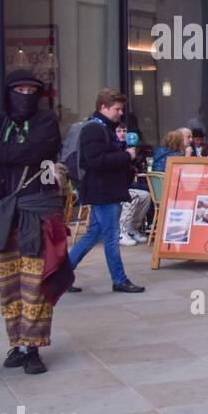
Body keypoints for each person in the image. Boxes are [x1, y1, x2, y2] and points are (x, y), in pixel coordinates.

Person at [0, 69, 71, 374]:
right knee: (9, 285)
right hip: (6, 217)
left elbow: (40, 149)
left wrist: (10, 153)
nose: (25, 96)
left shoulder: (46, 121)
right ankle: (17, 343)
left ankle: (34, 348)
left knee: (35, 283)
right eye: (20, 90)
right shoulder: (3, 120)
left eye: (31, 90)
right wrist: (15, 152)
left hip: (36, 214)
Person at [65, 89, 145, 294]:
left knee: (93, 234)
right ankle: (119, 279)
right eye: (117, 109)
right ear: (103, 107)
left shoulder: (102, 128)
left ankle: (61, 277)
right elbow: (96, 161)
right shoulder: (95, 129)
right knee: (111, 236)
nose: (120, 113)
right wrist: (126, 156)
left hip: (103, 189)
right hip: (103, 191)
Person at [115, 124, 151, 246]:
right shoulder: (114, 148)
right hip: (112, 188)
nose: (122, 133)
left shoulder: (128, 147)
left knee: (146, 195)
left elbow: (131, 171)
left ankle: (132, 228)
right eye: (119, 131)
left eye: (124, 130)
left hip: (124, 185)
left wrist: (133, 159)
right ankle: (121, 231)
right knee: (133, 196)